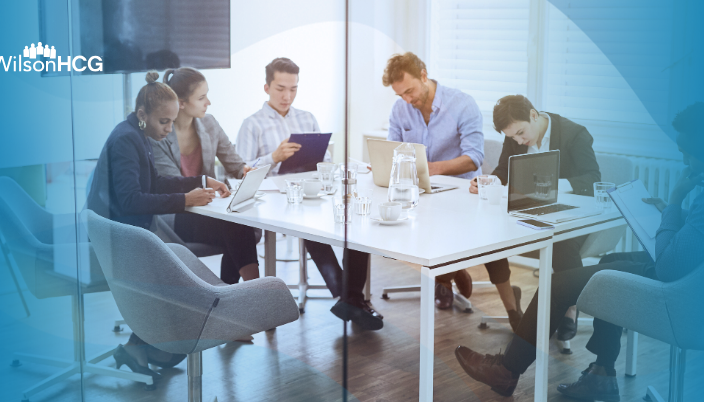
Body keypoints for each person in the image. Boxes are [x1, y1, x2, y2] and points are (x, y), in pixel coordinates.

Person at [454, 101, 704, 402]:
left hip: (682, 292)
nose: (684, 161)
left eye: (688, 154)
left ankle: (506, 371)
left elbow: (669, 266)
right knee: (608, 262)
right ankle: (602, 374)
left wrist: (674, 203)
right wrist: (677, 215)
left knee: (557, 285)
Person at [86, 71, 239, 380]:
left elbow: (153, 182)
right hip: (116, 236)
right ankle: (141, 345)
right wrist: (184, 201)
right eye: (163, 122)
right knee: (174, 276)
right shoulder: (126, 139)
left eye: (172, 122)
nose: (169, 129)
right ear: (142, 114)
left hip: (129, 231)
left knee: (173, 273)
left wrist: (199, 182)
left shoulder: (137, 134)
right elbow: (130, 201)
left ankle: (140, 345)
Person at [235, 57, 383, 331]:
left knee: (354, 226)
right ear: (266, 87)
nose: (287, 96)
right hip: (275, 200)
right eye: (280, 88)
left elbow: (324, 160)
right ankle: (350, 298)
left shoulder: (306, 118)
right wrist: (273, 156)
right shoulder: (252, 124)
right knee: (312, 229)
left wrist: (343, 166)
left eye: (293, 89)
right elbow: (240, 172)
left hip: (313, 192)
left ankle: (348, 298)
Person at [469, 95, 601, 334]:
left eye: (520, 133)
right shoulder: (515, 138)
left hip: (571, 216)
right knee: (489, 237)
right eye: (512, 137)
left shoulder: (574, 134)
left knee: (560, 241)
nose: (519, 141)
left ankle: (570, 308)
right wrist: (489, 181)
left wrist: (552, 186)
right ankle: (511, 308)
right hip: (528, 211)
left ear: (533, 115)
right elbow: (503, 171)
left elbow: (592, 179)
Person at [381, 52, 483, 310]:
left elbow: (474, 157)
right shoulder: (400, 109)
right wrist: (383, 162)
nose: (407, 99)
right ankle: (452, 270)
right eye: (400, 95)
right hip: (418, 188)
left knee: (439, 218)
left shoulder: (463, 104)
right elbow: (393, 148)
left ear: (424, 76)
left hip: (457, 190)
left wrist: (433, 168)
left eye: (410, 91)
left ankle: (445, 279)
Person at [151, 66, 261, 286]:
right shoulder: (159, 135)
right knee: (238, 226)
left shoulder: (209, 123)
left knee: (238, 226)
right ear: (180, 103)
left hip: (209, 211)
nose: (208, 102)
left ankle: (233, 295)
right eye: (201, 97)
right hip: (177, 213)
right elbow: (175, 186)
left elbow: (234, 162)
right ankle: (251, 293)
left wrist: (244, 170)